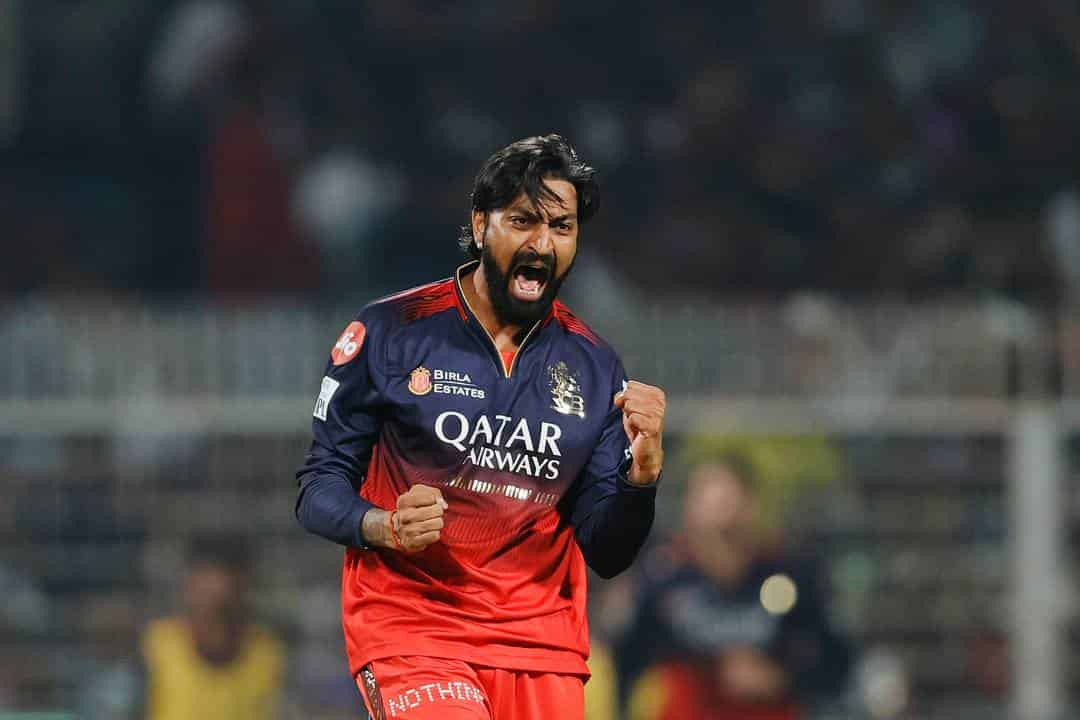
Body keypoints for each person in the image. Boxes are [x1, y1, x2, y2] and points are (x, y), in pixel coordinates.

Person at [295, 134, 666, 720]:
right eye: (522, 221)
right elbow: (318, 488)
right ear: (480, 223)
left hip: (542, 647)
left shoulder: (596, 368)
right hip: (415, 629)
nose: (542, 244)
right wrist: (383, 525)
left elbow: (608, 550)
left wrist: (640, 479)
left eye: (562, 227)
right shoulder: (391, 332)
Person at [619, 452, 851, 720]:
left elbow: (835, 661)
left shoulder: (792, 574)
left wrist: (780, 677)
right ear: (688, 514)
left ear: (750, 509)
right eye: (710, 526)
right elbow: (628, 660)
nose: (720, 526)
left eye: (728, 508)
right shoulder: (663, 578)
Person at [142, 536, 285, 720]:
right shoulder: (154, 648)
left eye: (223, 603)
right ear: (188, 587)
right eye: (205, 591)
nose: (214, 602)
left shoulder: (268, 654)